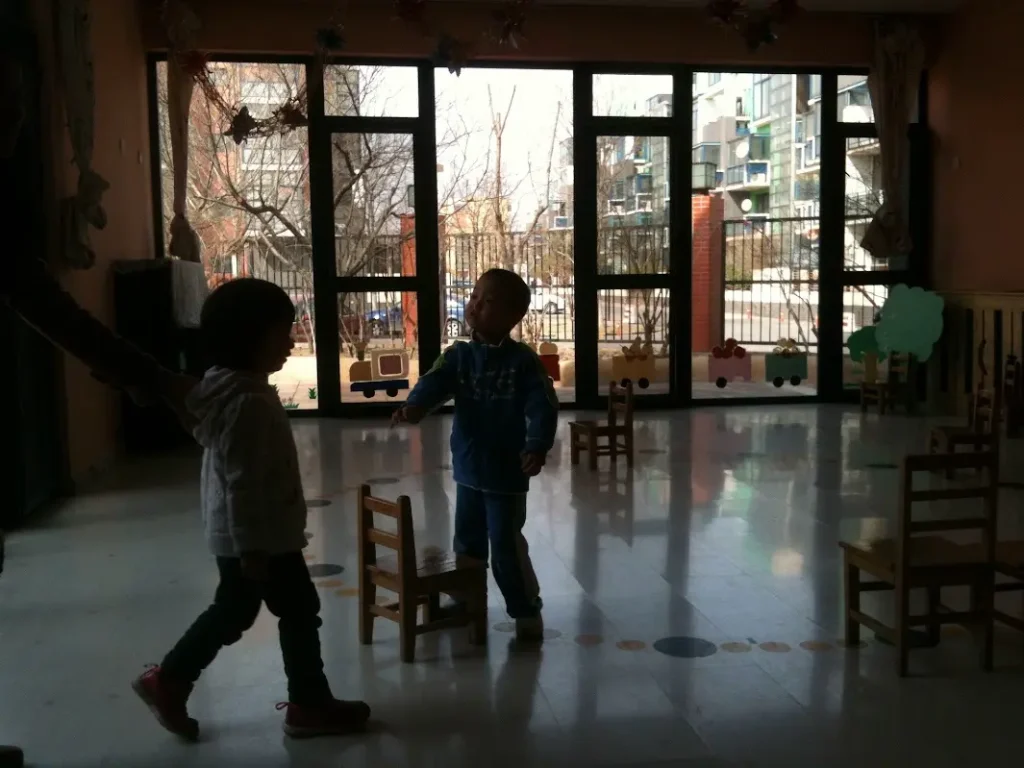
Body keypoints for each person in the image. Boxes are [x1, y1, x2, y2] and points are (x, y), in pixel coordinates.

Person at [132, 279, 371, 742]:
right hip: (259, 538)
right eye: (282, 333)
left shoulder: (219, 388)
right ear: (249, 338)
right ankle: (298, 702)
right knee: (271, 610)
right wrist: (252, 549)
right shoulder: (250, 403)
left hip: (251, 534)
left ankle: (296, 698)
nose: (291, 341)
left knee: (260, 609)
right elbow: (243, 483)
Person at [392, 268, 558, 641]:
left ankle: (524, 608)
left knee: (504, 544)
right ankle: (467, 600)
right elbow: (433, 382)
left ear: (514, 317)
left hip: (507, 474)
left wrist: (536, 445)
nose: (475, 306)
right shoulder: (459, 355)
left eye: (488, 302)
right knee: (466, 542)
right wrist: (415, 406)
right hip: (468, 467)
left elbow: (543, 406)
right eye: (473, 298)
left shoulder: (524, 362)